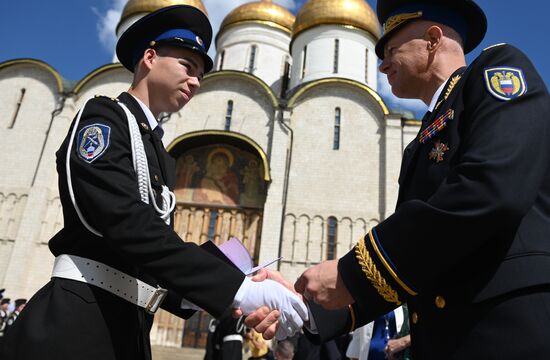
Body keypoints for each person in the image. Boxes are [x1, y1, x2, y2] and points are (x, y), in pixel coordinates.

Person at [244, 1, 550, 359]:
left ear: (433, 40)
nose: (383, 64)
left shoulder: (496, 72)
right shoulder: (421, 140)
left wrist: (350, 272)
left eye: (391, 50)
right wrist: (305, 307)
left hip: (506, 331)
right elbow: (416, 258)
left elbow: (491, 189)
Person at [0, 5, 307, 360]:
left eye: (200, 76)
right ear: (149, 57)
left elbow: (152, 256)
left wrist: (248, 280)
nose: (195, 82)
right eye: (187, 67)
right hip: (77, 321)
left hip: (127, 329)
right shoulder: (105, 116)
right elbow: (123, 221)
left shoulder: (157, 150)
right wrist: (236, 289)